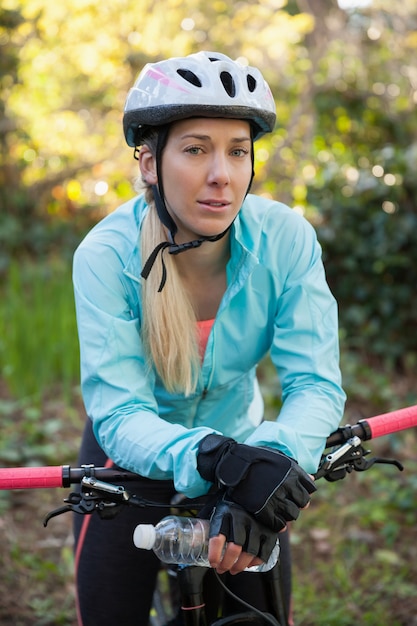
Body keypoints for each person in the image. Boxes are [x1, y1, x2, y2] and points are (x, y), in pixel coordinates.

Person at [72, 51, 346, 626]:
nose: (221, 174)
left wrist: (273, 456)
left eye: (238, 151)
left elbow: (316, 383)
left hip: (247, 455)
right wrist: (210, 455)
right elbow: (119, 411)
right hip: (128, 459)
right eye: (196, 149)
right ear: (150, 163)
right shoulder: (105, 255)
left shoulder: (287, 240)